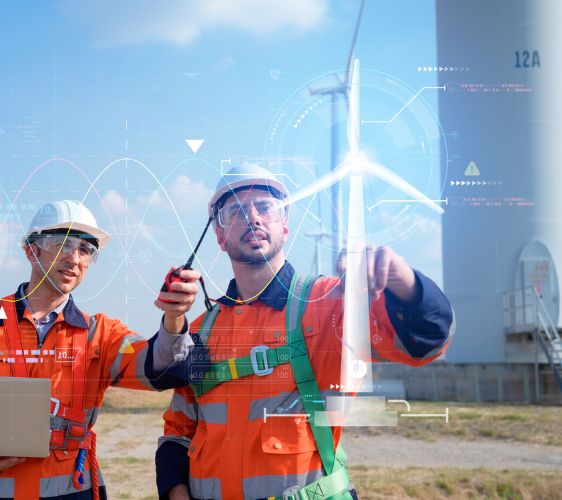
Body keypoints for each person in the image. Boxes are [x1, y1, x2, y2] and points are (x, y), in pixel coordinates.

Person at [155, 164, 455, 500]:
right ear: (220, 235)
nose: (252, 217)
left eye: (265, 207)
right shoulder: (201, 330)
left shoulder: (327, 306)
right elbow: (178, 431)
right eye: (236, 211)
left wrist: (404, 281)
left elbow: (426, 342)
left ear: (284, 223)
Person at [0, 200, 199, 500]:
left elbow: (158, 368)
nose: (74, 258)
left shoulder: (100, 334)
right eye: (62, 244)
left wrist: (174, 317)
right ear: (31, 250)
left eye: (85, 250)